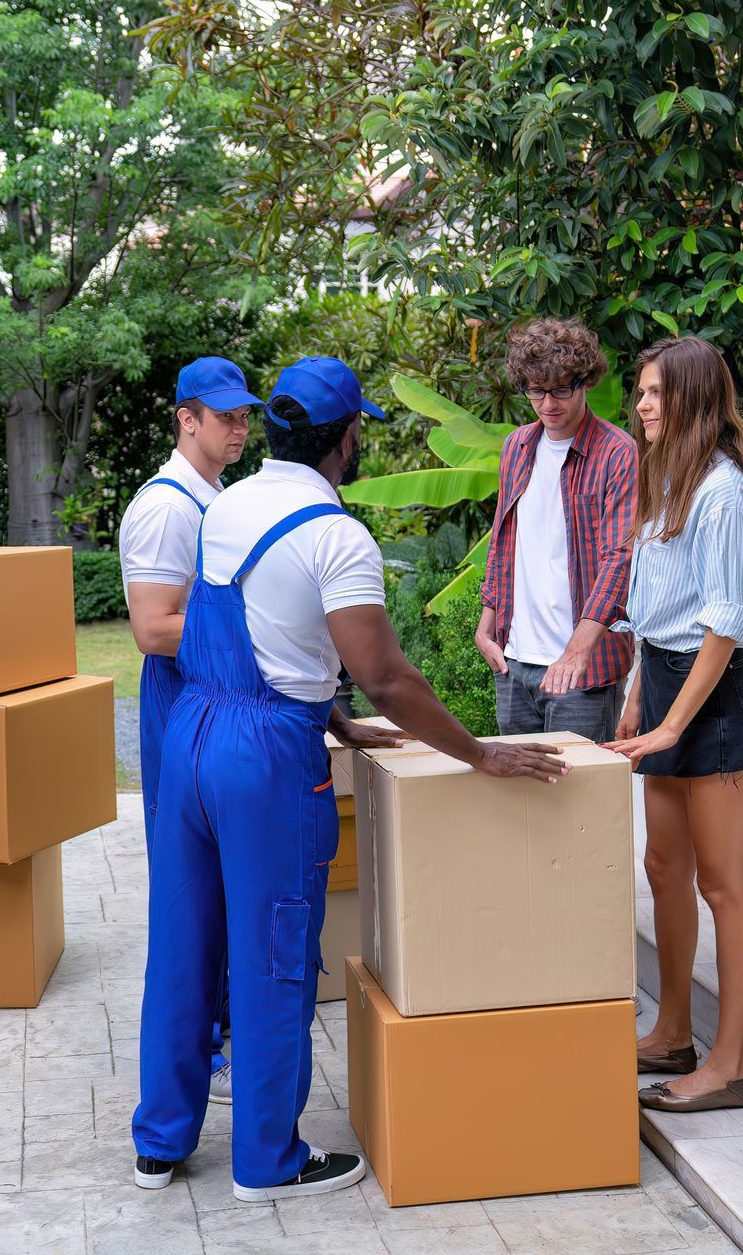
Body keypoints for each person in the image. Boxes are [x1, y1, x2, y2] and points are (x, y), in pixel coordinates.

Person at [131, 356, 571, 1200]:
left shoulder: (225, 506)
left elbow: (256, 633)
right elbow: (388, 675)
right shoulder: (337, 537)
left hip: (191, 734)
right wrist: (481, 754)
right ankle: (267, 1161)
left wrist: (327, 713)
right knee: (271, 956)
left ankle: (160, 1143)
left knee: (185, 944)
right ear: (345, 440)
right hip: (263, 760)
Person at [603, 336, 743, 1113]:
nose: (641, 406)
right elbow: (656, 610)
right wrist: (640, 691)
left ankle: (729, 1065)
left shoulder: (721, 495)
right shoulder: (669, 480)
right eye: (640, 392)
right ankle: (672, 1031)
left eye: (656, 394)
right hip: (665, 681)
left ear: (695, 399)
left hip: (716, 702)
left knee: (724, 885)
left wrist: (673, 724)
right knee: (664, 868)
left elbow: (724, 622)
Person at [118, 356, 259, 1105]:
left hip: (215, 693)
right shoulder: (168, 507)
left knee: (225, 881)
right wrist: (258, 639)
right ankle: (200, 1048)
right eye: (223, 415)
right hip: (182, 698)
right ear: (186, 418)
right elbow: (151, 628)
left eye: (244, 415)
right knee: (190, 887)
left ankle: (224, 1031)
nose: (238, 427)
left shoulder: (220, 495)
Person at [475, 318, 638, 742]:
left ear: (584, 382)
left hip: (582, 670)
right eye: (536, 390)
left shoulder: (617, 452)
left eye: (561, 389)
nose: (548, 403)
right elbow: (503, 539)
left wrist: (577, 651)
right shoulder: (517, 447)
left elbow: (619, 557)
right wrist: (487, 619)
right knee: (522, 802)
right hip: (515, 662)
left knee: (579, 804)